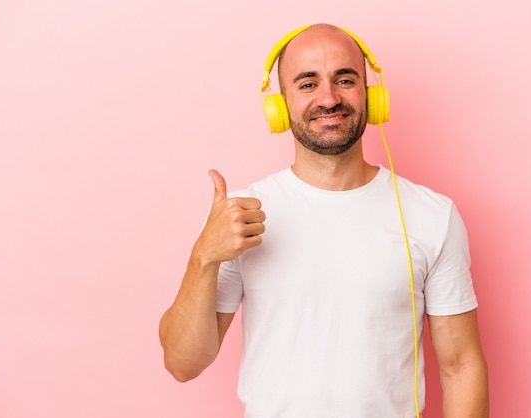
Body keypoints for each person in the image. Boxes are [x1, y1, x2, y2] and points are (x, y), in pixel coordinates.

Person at [159, 23, 489, 417]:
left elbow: (461, 367)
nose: (329, 98)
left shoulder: (431, 215)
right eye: (307, 83)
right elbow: (183, 364)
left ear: (371, 95)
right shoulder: (238, 215)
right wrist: (204, 257)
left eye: (344, 79)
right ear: (280, 106)